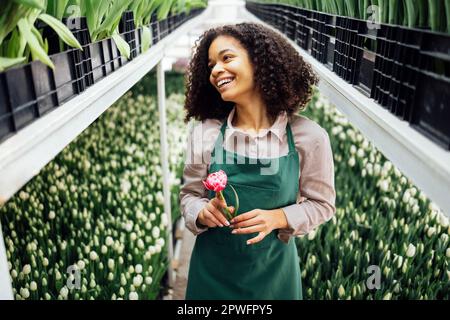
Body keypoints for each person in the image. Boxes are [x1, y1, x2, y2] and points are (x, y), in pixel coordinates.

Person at [179, 22, 336, 300]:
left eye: (226, 58)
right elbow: (189, 196)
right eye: (211, 64)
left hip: (273, 278)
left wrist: (279, 217)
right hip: (212, 277)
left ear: (260, 61)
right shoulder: (206, 134)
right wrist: (202, 212)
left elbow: (322, 204)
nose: (215, 70)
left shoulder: (308, 137)